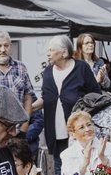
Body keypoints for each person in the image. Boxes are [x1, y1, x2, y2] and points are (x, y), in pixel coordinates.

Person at [39, 35, 97, 163]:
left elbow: (95, 95)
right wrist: (30, 108)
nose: (48, 54)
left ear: (64, 52)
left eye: (51, 50)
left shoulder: (81, 68)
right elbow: (46, 97)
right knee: (60, 166)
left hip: (79, 131)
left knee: (83, 165)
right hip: (56, 132)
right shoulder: (48, 72)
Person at [58, 109, 111, 175]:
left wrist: (103, 158)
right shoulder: (67, 155)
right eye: (81, 127)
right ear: (72, 134)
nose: (87, 129)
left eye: (89, 125)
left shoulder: (110, 148)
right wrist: (85, 163)